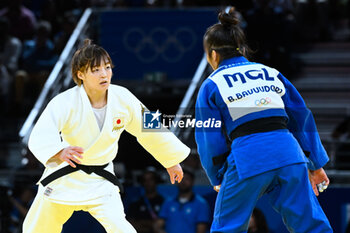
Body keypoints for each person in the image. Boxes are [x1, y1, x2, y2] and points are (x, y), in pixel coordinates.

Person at [22, 39, 190, 233]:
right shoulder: (65, 102)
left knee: (122, 229)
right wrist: (59, 151)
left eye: (107, 67)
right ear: (80, 74)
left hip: (101, 181)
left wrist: (171, 160)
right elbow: (42, 132)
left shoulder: (122, 97)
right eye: (95, 70)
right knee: (38, 228)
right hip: (65, 177)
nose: (104, 74)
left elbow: (149, 127)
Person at [195, 7, 333, 233]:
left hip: (248, 156)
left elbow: (208, 137)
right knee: (311, 225)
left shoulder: (212, 83)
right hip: (289, 153)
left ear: (212, 55)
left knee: (227, 227)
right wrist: (315, 164)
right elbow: (301, 117)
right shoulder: (271, 72)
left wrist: (216, 175)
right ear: (242, 50)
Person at [155, 168, 211, 233]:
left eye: (187, 179)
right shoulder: (168, 202)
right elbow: (158, 226)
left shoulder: (201, 204)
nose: (183, 181)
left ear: (192, 181)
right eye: (180, 178)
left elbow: (201, 230)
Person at [128, 167, 164, 233]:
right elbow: (131, 226)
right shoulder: (136, 203)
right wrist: (152, 225)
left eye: (151, 179)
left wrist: (142, 223)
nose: (148, 182)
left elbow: (164, 225)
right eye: (145, 180)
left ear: (156, 181)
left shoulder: (164, 202)